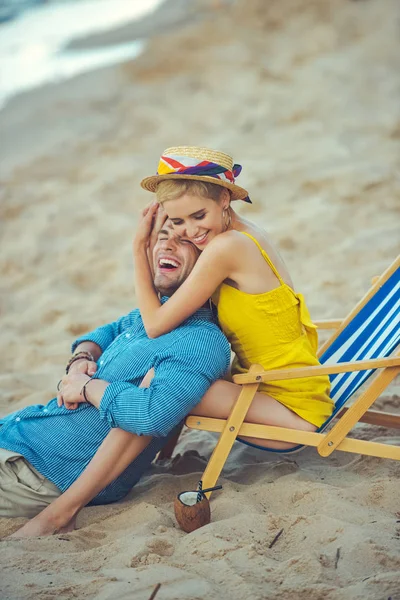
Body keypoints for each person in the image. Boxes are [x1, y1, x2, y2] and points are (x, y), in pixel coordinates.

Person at [0, 223, 230, 532]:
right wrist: (81, 359)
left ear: (210, 260)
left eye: (184, 241)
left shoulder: (199, 340)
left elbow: (151, 415)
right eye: (162, 237)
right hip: (20, 436)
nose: (167, 245)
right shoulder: (155, 314)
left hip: (37, 472)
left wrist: (88, 388)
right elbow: (103, 333)